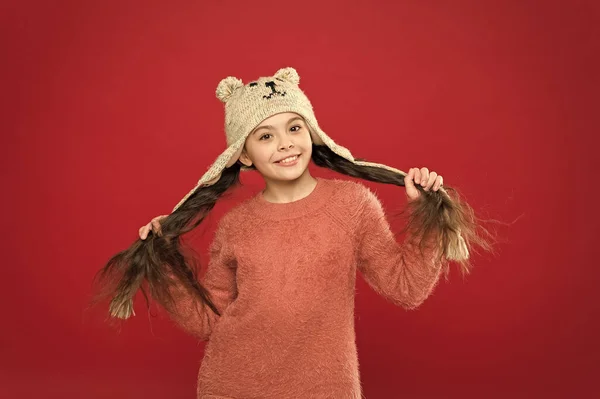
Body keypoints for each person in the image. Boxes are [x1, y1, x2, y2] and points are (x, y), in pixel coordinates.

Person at [94, 67, 493, 399]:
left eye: (294, 127)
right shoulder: (237, 226)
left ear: (312, 133)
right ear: (244, 154)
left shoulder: (353, 205)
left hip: (327, 388)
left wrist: (425, 213)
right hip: (233, 386)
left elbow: (407, 288)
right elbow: (209, 321)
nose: (285, 144)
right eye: (266, 136)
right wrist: (160, 259)